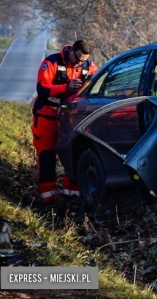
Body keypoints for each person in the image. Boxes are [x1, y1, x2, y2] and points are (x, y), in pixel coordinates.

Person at [31, 39, 98, 202]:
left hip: (71, 118)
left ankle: (71, 194)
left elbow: (99, 80)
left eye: (83, 60)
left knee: (73, 153)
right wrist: (66, 88)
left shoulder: (88, 66)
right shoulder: (51, 63)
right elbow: (42, 89)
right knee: (47, 155)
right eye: (78, 59)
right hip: (48, 115)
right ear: (71, 51)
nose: (79, 63)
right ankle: (48, 196)